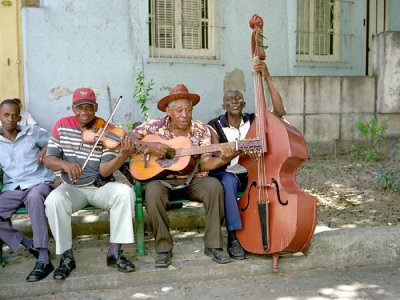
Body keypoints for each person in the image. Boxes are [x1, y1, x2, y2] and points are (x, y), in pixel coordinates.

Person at [128, 84, 237, 267]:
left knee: (214, 187)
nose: (184, 115)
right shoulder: (154, 126)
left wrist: (222, 159)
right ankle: (163, 249)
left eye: (188, 110)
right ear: (168, 111)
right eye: (179, 110)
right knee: (153, 193)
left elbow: (206, 161)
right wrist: (150, 147)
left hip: (192, 180)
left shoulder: (200, 129)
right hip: (160, 180)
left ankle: (213, 246)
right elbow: (129, 137)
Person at [44, 87, 137, 280]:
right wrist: (65, 163)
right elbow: (49, 158)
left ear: (96, 108)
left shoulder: (107, 130)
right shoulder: (62, 125)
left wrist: (122, 156)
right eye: (80, 108)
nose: (84, 112)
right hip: (71, 188)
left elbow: (104, 170)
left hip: (98, 186)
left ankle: (115, 252)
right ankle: (67, 257)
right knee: (53, 201)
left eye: (89, 107)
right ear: (73, 108)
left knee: (124, 193)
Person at [207, 60, 286, 260]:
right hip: (228, 172)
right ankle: (233, 238)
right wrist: (231, 153)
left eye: (238, 98)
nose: (234, 100)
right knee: (228, 182)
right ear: (223, 105)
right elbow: (215, 157)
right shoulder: (214, 126)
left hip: (251, 173)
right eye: (230, 99)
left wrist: (267, 76)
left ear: (243, 103)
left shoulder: (253, 121)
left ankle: (272, 230)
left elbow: (279, 112)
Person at [0, 99, 55, 282]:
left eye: (14, 115)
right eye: (6, 115)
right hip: (13, 187)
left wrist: (45, 150)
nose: (10, 119)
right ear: (0, 117)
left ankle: (44, 257)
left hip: (37, 182)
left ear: (20, 117)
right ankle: (26, 243)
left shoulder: (32, 133)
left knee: (35, 197)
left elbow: (56, 142)